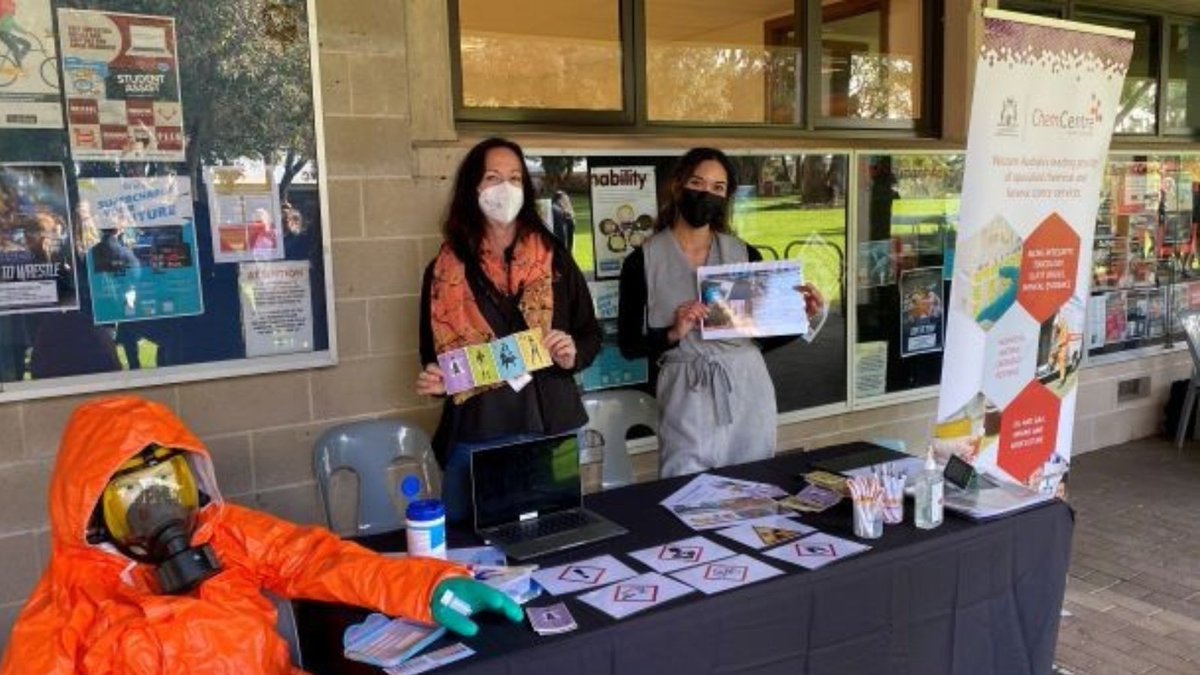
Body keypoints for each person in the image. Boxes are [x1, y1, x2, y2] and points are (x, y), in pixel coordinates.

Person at [0, 396, 521, 674]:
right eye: (132, 496)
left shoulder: (220, 536)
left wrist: (430, 586)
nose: (157, 509)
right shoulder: (65, 612)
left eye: (168, 483)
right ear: (91, 511)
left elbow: (316, 559)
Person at [415, 138, 600, 522]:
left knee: (556, 540)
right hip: (480, 434)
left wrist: (572, 353)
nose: (506, 188)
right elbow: (435, 360)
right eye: (493, 177)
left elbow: (589, 333)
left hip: (551, 430)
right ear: (473, 188)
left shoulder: (555, 259)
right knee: (471, 553)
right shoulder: (443, 272)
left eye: (515, 178)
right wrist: (436, 380)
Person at [618, 147, 824, 478]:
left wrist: (801, 317)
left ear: (726, 196)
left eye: (718, 187)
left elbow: (760, 338)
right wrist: (673, 333)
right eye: (698, 183)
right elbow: (629, 346)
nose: (706, 194)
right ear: (678, 186)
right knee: (684, 491)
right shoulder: (642, 262)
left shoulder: (743, 254)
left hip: (747, 388)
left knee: (753, 487)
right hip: (686, 391)